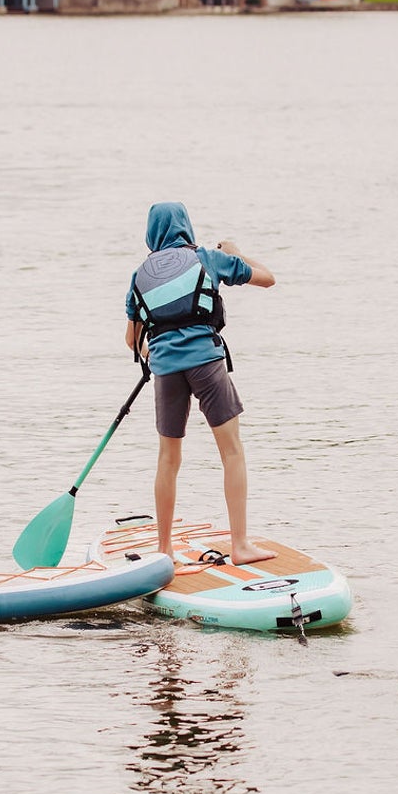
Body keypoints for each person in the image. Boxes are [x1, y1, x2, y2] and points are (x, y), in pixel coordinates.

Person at [124, 202, 275, 564]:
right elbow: (267, 277)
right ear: (185, 227)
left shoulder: (139, 276)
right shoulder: (207, 258)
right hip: (206, 363)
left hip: (166, 370)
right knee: (232, 451)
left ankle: (164, 551)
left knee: (168, 458)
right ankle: (240, 546)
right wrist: (235, 253)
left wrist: (156, 351)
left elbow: (132, 339)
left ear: (151, 234)